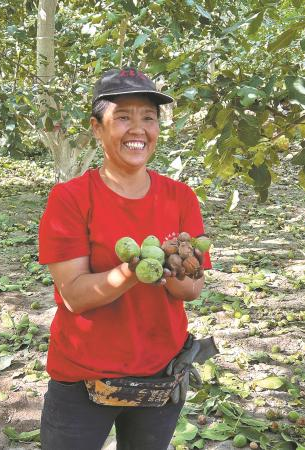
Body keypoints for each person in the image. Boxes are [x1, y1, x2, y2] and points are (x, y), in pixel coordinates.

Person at [38, 67, 212, 450]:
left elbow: (193, 289)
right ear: (98, 128)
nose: (138, 129)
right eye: (123, 117)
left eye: (148, 118)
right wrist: (133, 271)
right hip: (83, 379)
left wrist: (172, 267)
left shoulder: (181, 197)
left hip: (159, 374)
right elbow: (74, 296)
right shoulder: (70, 199)